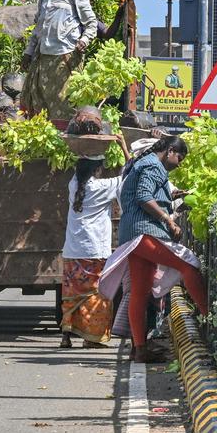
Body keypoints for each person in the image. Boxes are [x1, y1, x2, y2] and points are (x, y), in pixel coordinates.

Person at [112, 135, 207, 363]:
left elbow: (147, 192)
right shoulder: (153, 165)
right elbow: (144, 197)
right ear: (171, 150)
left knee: (140, 290)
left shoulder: (143, 163)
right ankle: (210, 321)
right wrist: (169, 220)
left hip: (132, 233)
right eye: (180, 158)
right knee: (188, 266)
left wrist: (173, 195)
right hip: (144, 232)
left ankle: (140, 350)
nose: (180, 164)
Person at [60, 139, 130, 349]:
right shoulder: (102, 187)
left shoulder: (73, 185)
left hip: (72, 250)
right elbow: (131, 172)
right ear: (98, 170)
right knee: (96, 294)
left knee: (72, 294)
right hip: (94, 250)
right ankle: (92, 338)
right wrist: (123, 145)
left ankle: (66, 335)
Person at [19, 0, 98, 121]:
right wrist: (29, 52)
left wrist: (84, 40)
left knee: (64, 101)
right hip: (44, 56)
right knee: (38, 98)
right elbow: (39, 27)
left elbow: (91, 23)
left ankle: (64, 138)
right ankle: (41, 136)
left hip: (66, 55)